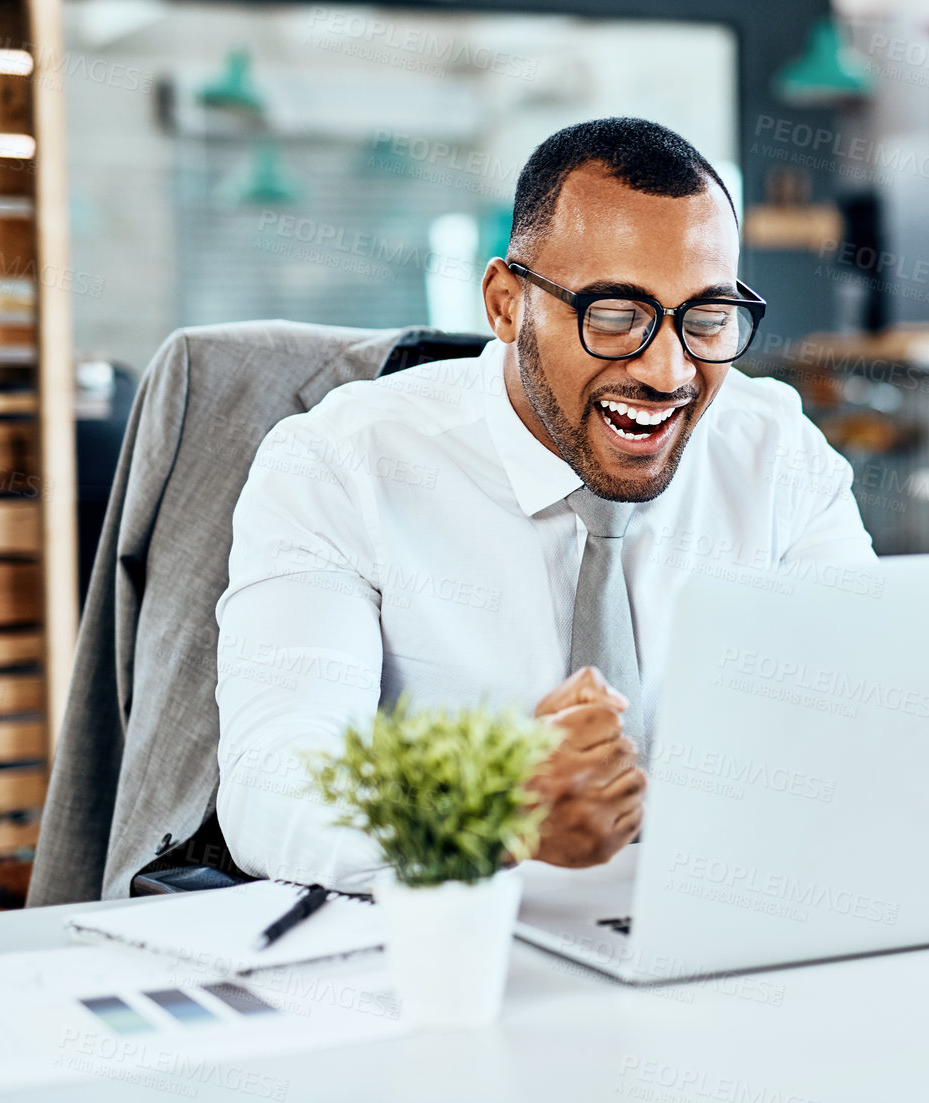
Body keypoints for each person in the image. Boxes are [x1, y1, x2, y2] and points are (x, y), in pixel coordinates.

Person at [215, 118, 875, 891]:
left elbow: (865, 720)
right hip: (461, 943)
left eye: (704, 319)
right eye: (615, 314)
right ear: (505, 304)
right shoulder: (340, 466)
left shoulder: (776, 456)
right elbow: (274, 787)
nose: (668, 372)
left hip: (725, 922)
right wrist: (495, 810)